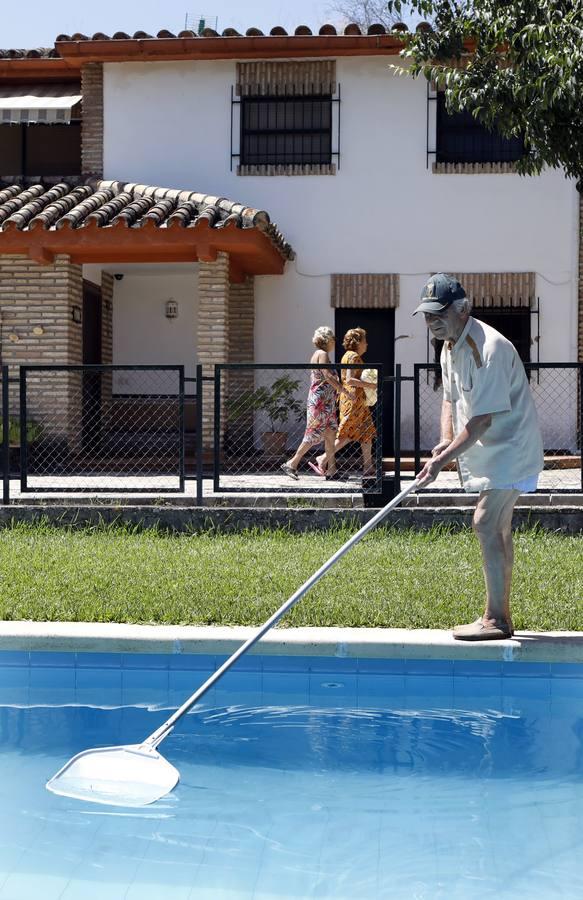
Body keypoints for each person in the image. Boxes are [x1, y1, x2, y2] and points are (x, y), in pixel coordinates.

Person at [414, 273, 544, 641]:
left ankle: (496, 619)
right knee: (497, 528)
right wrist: (444, 439)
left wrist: (440, 462)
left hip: (511, 448)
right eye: (427, 315)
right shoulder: (449, 346)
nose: (431, 321)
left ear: (463, 309)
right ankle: (500, 616)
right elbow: (450, 397)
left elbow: (483, 419)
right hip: (492, 449)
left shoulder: (489, 348)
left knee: (486, 522)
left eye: (439, 313)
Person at [280, 326, 342, 480]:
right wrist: (343, 390)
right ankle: (291, 463)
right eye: (333, 339)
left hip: (326, 402)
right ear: (328, 340)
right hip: (321, 402)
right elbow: (327, 375)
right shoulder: (322, 354)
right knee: (312, 434)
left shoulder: (318, 354)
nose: (334, 342)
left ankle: (332, 470)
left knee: (330, 434)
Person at [316, 327, 377, 478]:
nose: (366, 344)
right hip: (353, 400)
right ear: (358, 342)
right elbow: (349, 380)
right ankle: (323, 458)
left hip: (357, 401)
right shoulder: (353, 356)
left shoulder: (347, 356)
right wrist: (371, 385)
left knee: (366, 432)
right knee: (347, 433)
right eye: (364, 341)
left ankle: (368, 466)